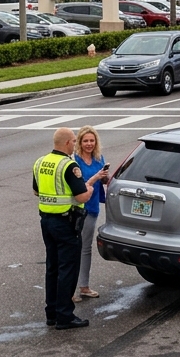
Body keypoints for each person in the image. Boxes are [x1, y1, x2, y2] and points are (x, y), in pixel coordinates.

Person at [32, 127, 107, 330]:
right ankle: (65, 315)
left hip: (46, 221)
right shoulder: (68, 165)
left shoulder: (40, 162)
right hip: (66, 223)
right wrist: (90, 189)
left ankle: (52, 312)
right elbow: (82, 195)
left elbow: (36, 191)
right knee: (68, 269)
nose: (75, 144)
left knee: (52, 268)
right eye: (74, 141)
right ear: (66, 143)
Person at [73, 126, 109, 302]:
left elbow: (103, 181)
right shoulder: (75, 161)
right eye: (85, 141)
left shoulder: (98, 158)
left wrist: (105, 177)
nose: (89, 144)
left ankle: (84, 286)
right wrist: (95, 177)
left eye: (92, 141)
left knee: (86, 248)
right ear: (80, 142)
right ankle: (70, 290)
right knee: (73, 247)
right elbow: (79, 186)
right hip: (78, 209)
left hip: (93, 207)